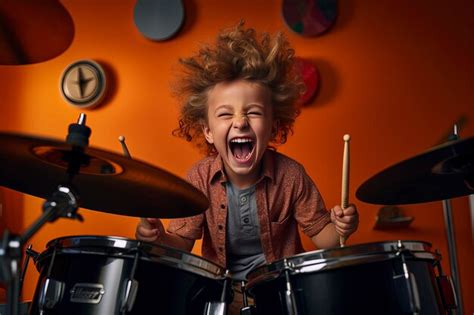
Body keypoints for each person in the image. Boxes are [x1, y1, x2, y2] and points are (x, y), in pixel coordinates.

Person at [136, 21, 359, 313]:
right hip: (218, 296)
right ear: (207, 131)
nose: (240, 122)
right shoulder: (199, 178)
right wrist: (159, 238)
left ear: (274, 126)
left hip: (281, 293)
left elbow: (325, 239)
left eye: (253, 112)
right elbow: (181, 243)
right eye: (225, 114)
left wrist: (343, 227)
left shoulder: (291, 175)